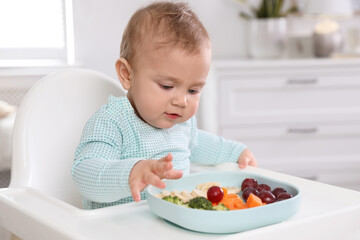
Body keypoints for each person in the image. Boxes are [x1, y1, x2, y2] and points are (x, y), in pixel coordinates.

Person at [71, 1, 257, 210]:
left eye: (193, 90)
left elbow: (204, 144)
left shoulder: (182, 126)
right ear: (127, 75)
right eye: (167, 86)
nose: (182, 101)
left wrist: (237, 152)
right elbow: (85, 173)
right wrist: (132, 173)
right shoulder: (112, 122)